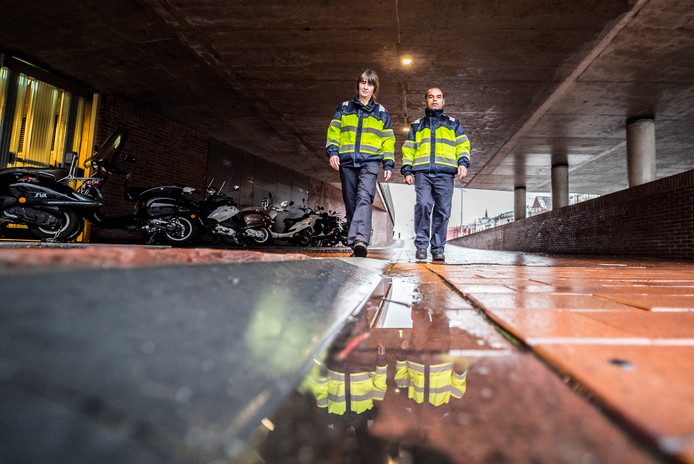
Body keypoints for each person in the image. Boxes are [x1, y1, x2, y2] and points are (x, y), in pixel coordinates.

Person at [326, 70, 395, 257]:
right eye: (363, 82)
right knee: (350, 202)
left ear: (374, 88)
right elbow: (334, 132)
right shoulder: (344, 107)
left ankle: (361, 241)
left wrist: (388, 162)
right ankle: (355, 243)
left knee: (364, 198)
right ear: (358, 85)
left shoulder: (381, 112)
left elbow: (388, 140)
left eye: (370, 84)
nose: (365, 87)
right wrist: (333, 152)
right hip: (347, 162)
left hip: (370, 162)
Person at [401, 87, 471, 262]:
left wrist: (463, 163)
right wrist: (407, 170)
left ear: (443, 101)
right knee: (423, 205)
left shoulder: (453, 124)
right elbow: (409, 149)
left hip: (445, 174)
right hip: (423, 172)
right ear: (426, 101)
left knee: (442, 211)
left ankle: (438, 248)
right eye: (431, 97)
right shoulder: (417, 125)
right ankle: (422, 246)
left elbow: (463, 145)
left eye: (438, 97)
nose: (435, 100)